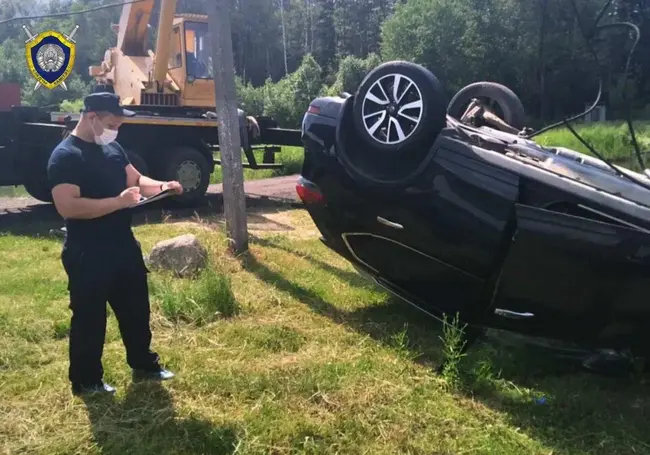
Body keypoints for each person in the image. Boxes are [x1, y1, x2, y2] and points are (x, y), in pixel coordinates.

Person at [47, 92, 184, 396]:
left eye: (119, 125)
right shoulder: (66, 156)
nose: (115, 130)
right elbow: (68, 206)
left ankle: (144, 364)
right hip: (87, 250)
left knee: (137, 309)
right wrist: (117, 203)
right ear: (91, 117)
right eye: (112, 123)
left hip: (122, 243)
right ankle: (87, 381)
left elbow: (135, 181)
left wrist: (162, 186)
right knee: (89, 317)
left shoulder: (112, 148)